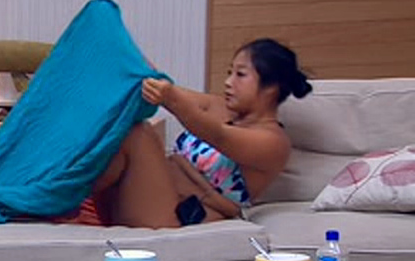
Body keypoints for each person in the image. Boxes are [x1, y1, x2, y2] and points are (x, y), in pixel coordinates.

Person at [92, 38, 312, 228]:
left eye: (240, 75)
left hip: (176, 217)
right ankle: (76, 196)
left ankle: (73, 194)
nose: (228, 82)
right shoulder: (220, 107)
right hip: (144, 197)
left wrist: (170, 98)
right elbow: (164, 87)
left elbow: (218, 135)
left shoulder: (273, 142)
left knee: (139, 134)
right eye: (229, 73)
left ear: (271, 87)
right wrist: (121, 49)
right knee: (118, 124)